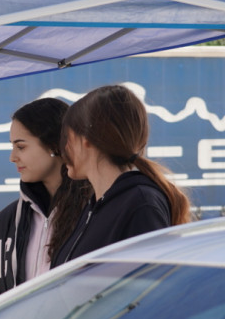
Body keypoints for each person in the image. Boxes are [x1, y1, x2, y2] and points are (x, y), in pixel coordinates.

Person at [0, 98, 92, 311]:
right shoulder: (7, 221)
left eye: (21, 146)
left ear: (54, 145)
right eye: (12, 147)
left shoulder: (95, 211)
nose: (12, 157)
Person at [52, 85, 191, 266]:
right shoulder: (97, 205)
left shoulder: (141, 204)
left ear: (86, 139)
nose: (64, 148)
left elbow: (147, 279)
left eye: (67, 138)